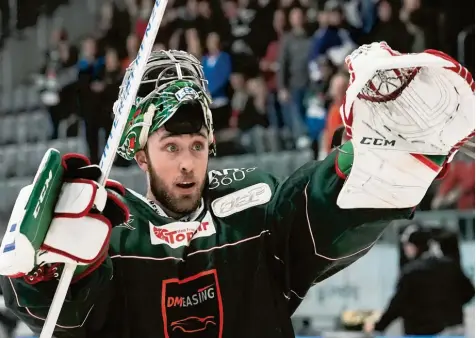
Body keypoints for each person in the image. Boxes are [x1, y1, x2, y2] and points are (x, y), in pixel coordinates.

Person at [0, 44, 473, 338]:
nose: (188, 162)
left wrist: (367, 167)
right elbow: (69, 324)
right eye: (170, 146)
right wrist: (43, 275)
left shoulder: (251, 205)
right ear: (140, 155)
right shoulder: (109, 230)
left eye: (197, 144)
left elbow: (313, 215)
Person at [364, 224, 475, 336]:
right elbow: (469, 292)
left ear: (413, 246)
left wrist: (379, 327)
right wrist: (450, 306)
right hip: (453, 330)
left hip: (421, 331)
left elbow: (397, 304)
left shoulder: (411, 272)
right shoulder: (450, 265)